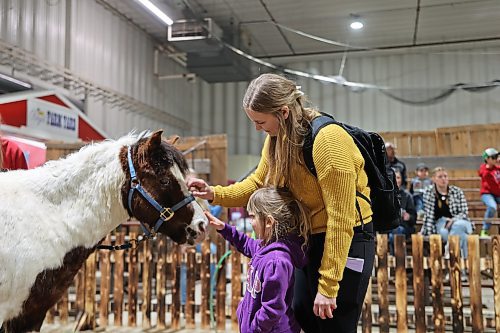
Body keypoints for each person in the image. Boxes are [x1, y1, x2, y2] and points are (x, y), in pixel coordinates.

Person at [188, 73, 375, 332]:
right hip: (310, 235)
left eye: (260, 121)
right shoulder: (276, 139)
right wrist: (214, 193)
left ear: (284, 112)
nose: (257, 128)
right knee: (303, 314)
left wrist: (329, 287)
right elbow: (257, 182)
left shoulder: (328, 142)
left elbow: (341, 219)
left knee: (333, 323)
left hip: (347, 239)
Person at [206, 187, 309, 333]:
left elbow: (272, 308)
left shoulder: (276, 261)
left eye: (253, 217)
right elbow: (247, 244)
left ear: (268, 221)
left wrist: (254, 328)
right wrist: (224, 228)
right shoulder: (265, 247)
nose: (250, 222)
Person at [420, 166, 473, 259]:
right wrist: (426, 232)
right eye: (440, 177)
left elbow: (464, 212)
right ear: (434, 179)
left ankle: (449, 251)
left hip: (461, 221)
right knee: (463, 237)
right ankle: (464, 268)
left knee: (458, 226)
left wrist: (453, 220)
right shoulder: (429, 192)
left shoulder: (457, 191)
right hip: (442, 223)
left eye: (445, 176)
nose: (443, 179)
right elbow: (429, 215)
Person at [389, 169, 416, 255]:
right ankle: (400, 261)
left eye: (398, 177)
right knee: (393, 233)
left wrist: (408, 217)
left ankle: (397, 260)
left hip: (404, 226)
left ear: (401, 179)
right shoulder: (385, 195)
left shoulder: (407, 196)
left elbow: (413, 218)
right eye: (394, 178)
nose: (396, 180)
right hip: (388, 227)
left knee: (396, 232)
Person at [478, 147, 500, 237]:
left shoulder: (497, 168)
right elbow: (484, 174)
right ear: (487, 159)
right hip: (487, 194)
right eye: (493, 157)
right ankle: (485, 229)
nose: (496, 159)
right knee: (492, 206)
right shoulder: (484, 170)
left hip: (498, 194)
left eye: (497, 157)